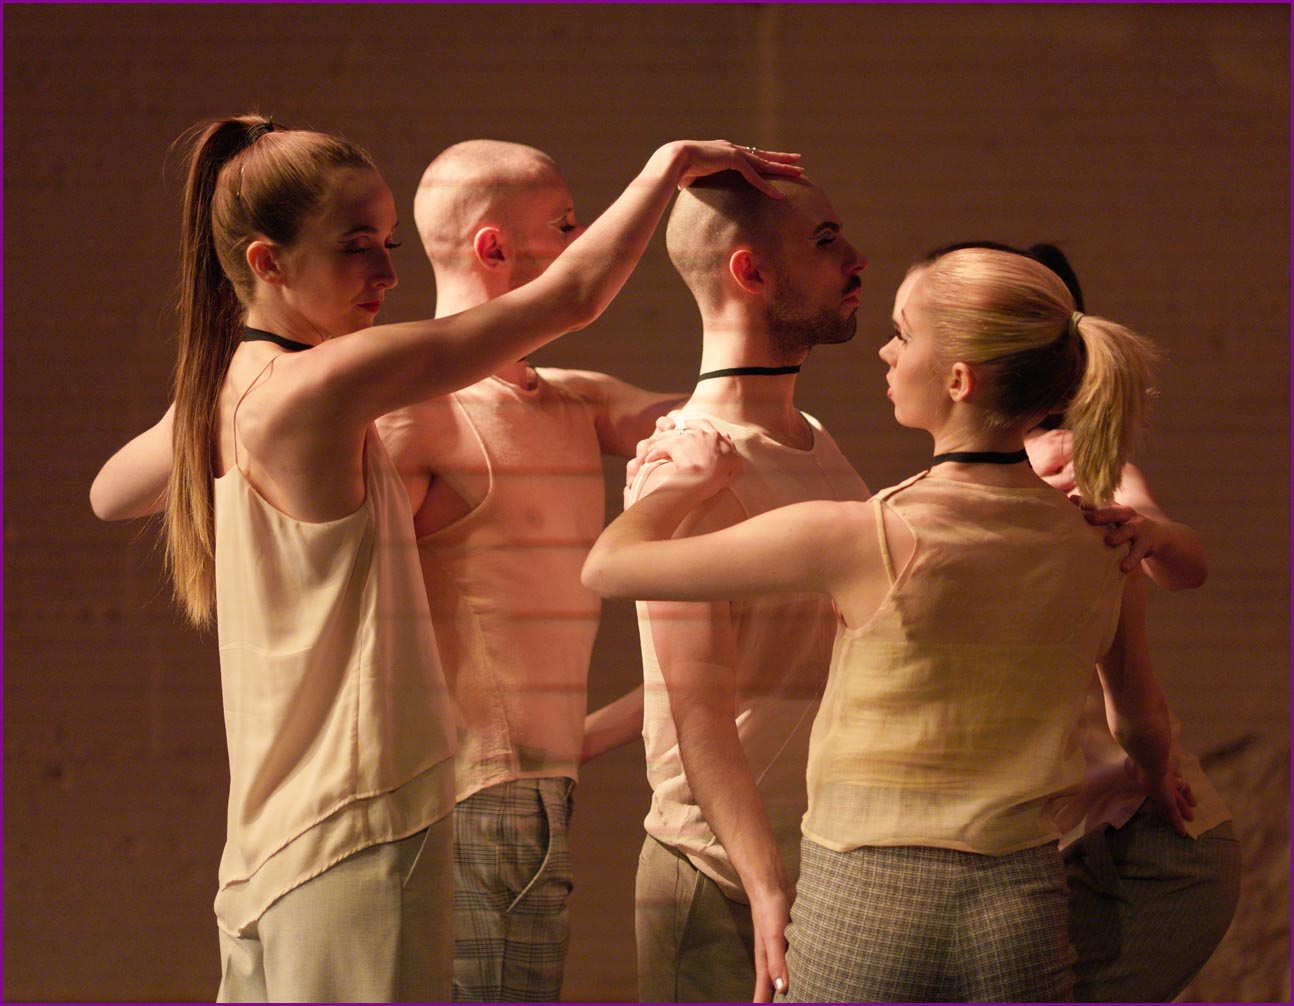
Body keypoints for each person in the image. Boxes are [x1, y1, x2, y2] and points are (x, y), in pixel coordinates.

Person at [90, 113, 800, 1002]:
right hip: (356, 827)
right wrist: (670, 163)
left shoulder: (233, 392)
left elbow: (110, 493)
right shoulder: (330, 384)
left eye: (388, 243)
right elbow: (571, 298)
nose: (389, 274)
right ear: (268, 262)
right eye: (356, 247)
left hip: (264, 844)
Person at [582, 245, 1192, 1002]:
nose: (886, 350)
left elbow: (610, 568)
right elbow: (1139, 719)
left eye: (903, 333)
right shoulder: (1106, 544)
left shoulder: (862, 534)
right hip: (1023, 903)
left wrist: (684, 486)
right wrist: (1160, 780)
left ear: (959, 381)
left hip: (866, 900)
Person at [374, 139, 682, 1002]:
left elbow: (733, 421)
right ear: (494, 247)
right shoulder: (418, 415)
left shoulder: (575, 397)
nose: (583, 243)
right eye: (566, 224)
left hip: (532, 790)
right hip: (469, 797)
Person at [588, 169, 869, 1002]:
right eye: (826, 242)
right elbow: (699, 710)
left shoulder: (813, 438)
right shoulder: (687, 461)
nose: (856, 259)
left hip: (816, 869)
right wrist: (764, 885)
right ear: (750, 272)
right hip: (724, 882)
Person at [997, 244, 1240, 1002]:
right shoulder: (964, 470)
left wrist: (1149, 532)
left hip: (1140, 814)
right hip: (1053, 829)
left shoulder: (1081, 459)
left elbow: (1186, 564)